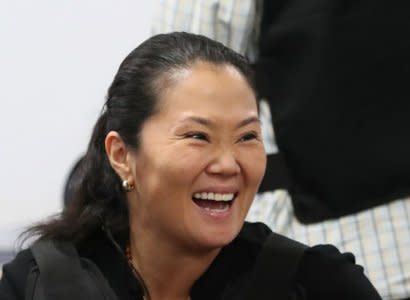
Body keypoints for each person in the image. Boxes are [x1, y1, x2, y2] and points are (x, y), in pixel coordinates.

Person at [0, 32, 381, 300]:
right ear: (121, 156)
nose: (228, 163)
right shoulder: (40, 284)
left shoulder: (316, 285)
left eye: (247, 137)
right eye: (198, 136)